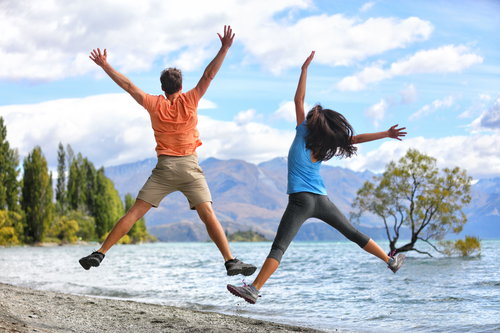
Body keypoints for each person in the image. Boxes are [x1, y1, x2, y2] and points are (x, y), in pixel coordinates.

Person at [227, 51, 407, 304]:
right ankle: (390, 261)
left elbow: (298, 99)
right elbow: (355, 138)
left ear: (313, 123)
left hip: (301, 201)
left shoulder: (302, 132)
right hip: (322, 200)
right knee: (353, 233)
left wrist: (304, 70)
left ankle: (254, 288)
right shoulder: (326, 146)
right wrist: (386, 134)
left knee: (279, 247)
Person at [79, 25, 256, 277]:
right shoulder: (191, 99)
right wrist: (224, 48)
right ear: (181, 86)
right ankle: (230, 261)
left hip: (164, 169)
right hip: (189, 169)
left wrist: (105, 65)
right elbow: (208, 75)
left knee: (134, 213)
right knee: (208, 215)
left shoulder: (153, 104)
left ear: (163, 88)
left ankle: (100, 252)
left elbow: (129, 85)